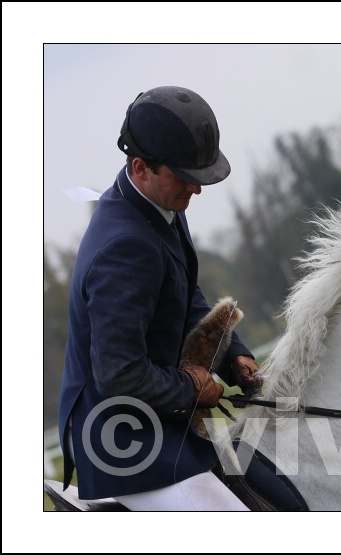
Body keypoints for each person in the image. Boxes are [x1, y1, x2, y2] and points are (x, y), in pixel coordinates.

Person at [58, 86, 261, 510]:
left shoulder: (159, 205)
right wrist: (192, 387)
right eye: (185, 176)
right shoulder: (124, 247)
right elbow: (119, 374)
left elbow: (182, 297)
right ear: (141, 167)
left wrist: (232, 353)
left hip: (154, 413)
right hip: (119, 435)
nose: (196, 189)